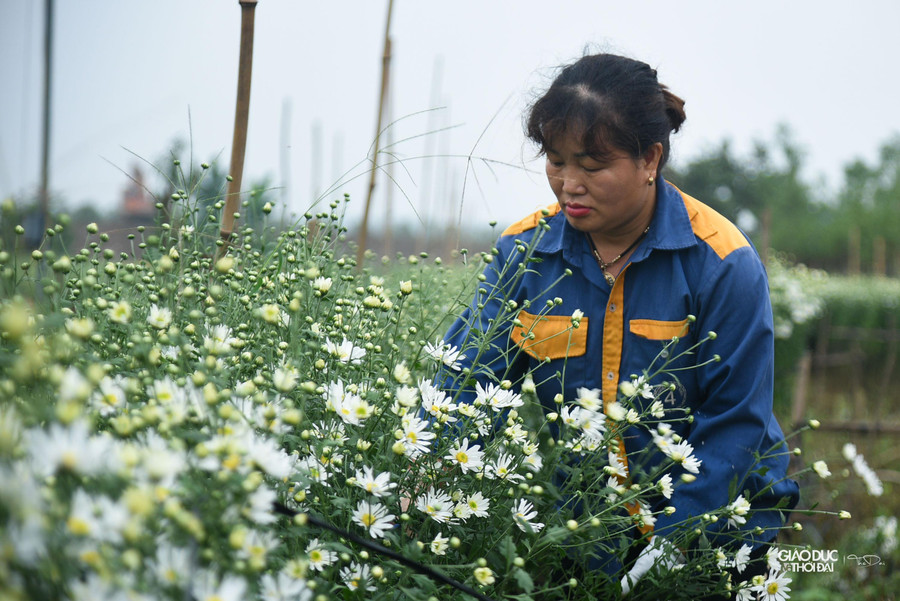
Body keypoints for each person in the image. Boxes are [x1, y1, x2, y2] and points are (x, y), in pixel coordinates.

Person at [438, 53, 799, 596]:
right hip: (586, 531)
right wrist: (432, 469)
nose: (568, 184)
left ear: (649, 158)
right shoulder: (526, 251)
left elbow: (735, 423)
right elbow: (470, 380)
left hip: (716, 523)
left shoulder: (721, 261)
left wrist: (674, 545)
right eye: (556, 160)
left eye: (591, 164)